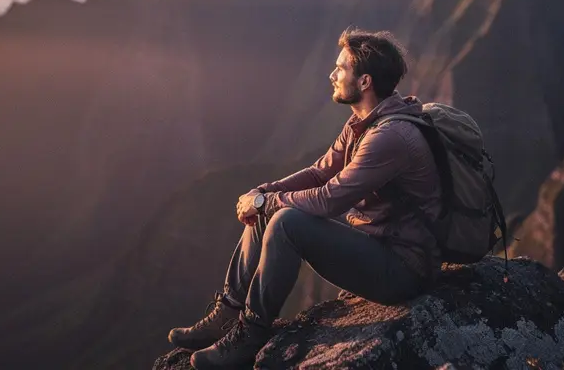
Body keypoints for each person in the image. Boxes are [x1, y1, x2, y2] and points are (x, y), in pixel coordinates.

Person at [169, 28, 443, 369]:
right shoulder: (363, 123)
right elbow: (318, 173)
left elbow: (329, 200)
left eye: (341, 68)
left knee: (286, 221)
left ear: (364, 82)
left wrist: (268, 203)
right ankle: (227, 312)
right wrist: (264, 193)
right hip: (379, 246)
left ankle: (250, 336)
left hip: (403, 270)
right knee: (272, 208)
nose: (332, 75)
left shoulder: (389, 136)